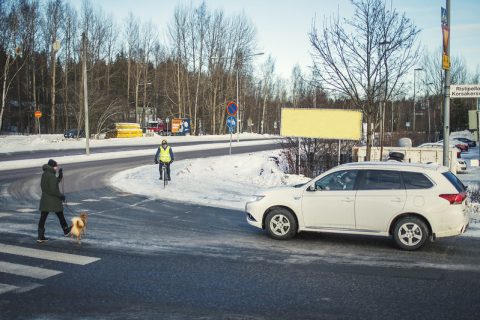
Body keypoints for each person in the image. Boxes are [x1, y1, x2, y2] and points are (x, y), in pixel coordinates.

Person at [37, 159, 71, 243]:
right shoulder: (51, 175)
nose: (56, 167)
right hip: (53, 200)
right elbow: (53, 190)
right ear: (52, 166)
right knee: (60, 214)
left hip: (45, 199)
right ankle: (66, 230)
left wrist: (59, 177)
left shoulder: (45, 174)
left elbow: (50, 184)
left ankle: (40, 236)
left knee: (43, 218)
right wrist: (61, 196)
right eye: (56, 166)